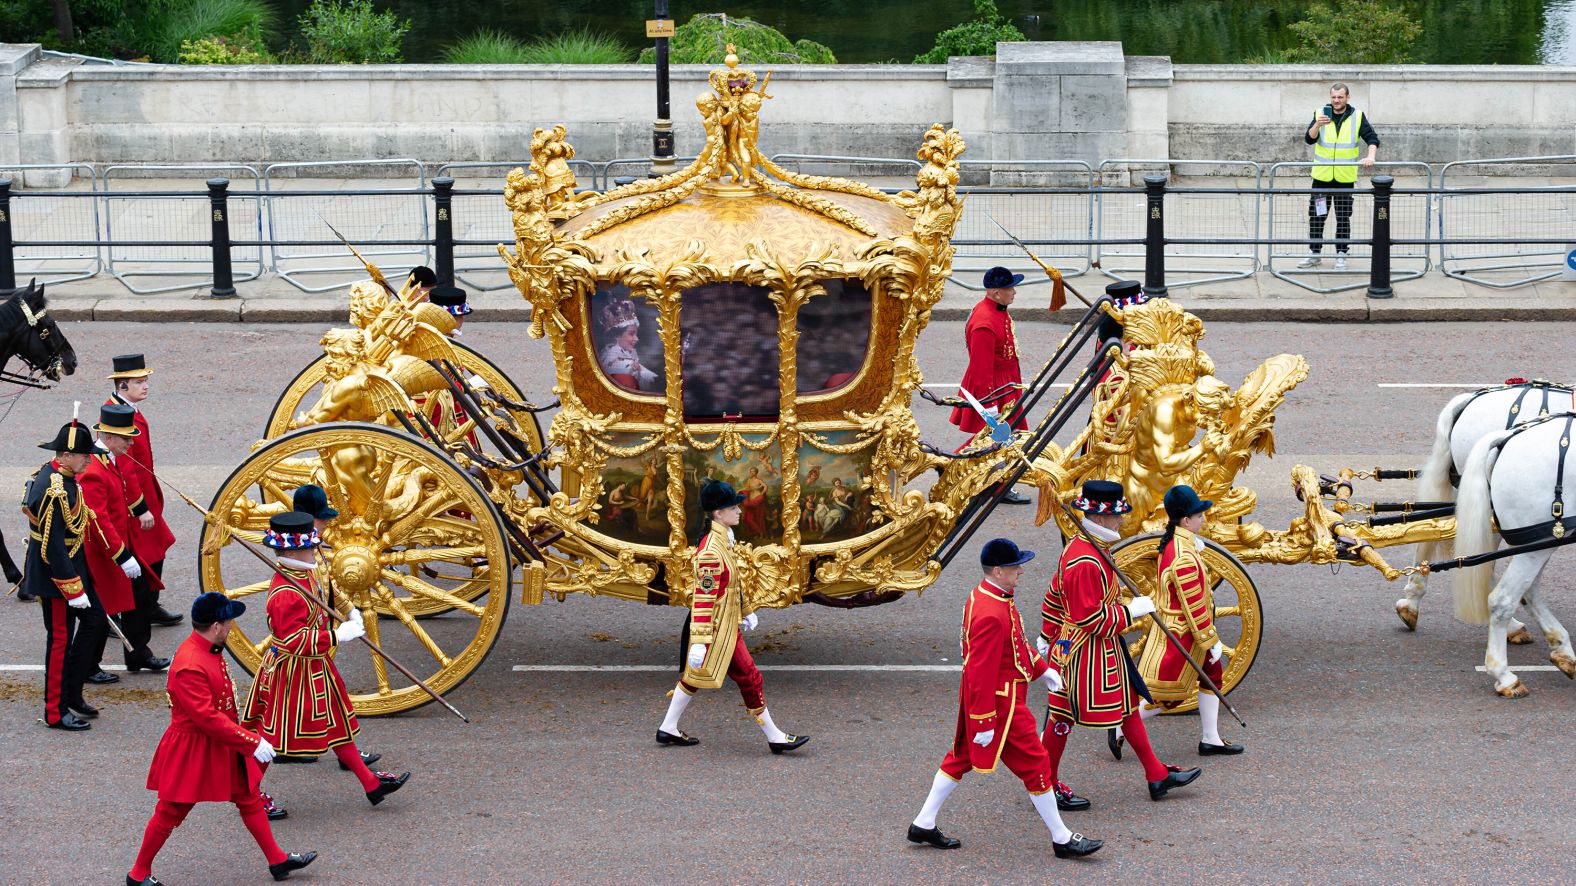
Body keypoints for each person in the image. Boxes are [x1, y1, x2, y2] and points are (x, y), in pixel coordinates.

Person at [906, 538, 1100, 858]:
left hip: (999, 699)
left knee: (960, 758)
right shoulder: (991, 612)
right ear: (998, 571)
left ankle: (923, 822)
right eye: (1014, 567)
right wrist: (983, 721)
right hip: (1002, 706)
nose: (1020, 571)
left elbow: (1016, 642)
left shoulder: (992, 597)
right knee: (1037, 763)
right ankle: (1062, 837)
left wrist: (1042, 670)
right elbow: (980, 672)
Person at [127, 591, 316, 885]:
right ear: (216, 626)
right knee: (170, 811)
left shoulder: (208, 649)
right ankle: (138, 874)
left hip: (221, 740)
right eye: (228, 622)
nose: (231, 628)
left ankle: (277, 860)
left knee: (248, 796)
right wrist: (252, 742)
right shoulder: (191, 663)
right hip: (193, 747)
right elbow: (207, 718)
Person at [1039, 481, 1202, 801]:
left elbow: (1053, 597)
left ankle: (1156, 774)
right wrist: (1130, 612)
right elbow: (1091, 619)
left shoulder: (1084, 545)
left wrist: (1047, 636)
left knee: (1126, 704)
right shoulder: (1086, 559)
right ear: (1099, 520)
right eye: (1116, 516)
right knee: (1062, 716)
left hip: (1083, 648)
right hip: (1084, 652)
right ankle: (1044, 784)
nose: (1121, 521)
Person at [240, 512, 410, 814]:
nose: (315, 549)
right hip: (291, 672)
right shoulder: (284, 593)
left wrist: (350, 611)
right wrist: (337, 636)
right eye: (310, 545)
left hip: (315, 668)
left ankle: (371, 784)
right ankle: (248, 793)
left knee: (337, 725)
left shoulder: (308, 570)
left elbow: (330, 591)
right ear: (293, 550)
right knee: (272, 737)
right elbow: (293, 641)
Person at [656, 480, 808, 753]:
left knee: (694, 677)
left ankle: (668, 728)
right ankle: (774, 736)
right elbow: (703, 600)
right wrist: (700, 641)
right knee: (750, 677)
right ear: (718, 513)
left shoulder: (722, 540)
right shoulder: (712, 552)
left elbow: (733, 583)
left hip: (724, 623)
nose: (739, 511)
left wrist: (747, 610)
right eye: (733, 507)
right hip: (717, 628)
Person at [1122, 485, 1243, 756]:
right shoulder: (1184, 555)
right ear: (1186, 520)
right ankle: (1121, 727)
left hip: (1183, 630)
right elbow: (1194, 605)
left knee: (1211, 677)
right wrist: (1210, 640)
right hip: (1185, 633)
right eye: (1199, 516)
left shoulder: (1179, 544)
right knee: (1167, 697)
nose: (1204, 519)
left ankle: (1211, 737)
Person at [78, 404, 170, 685]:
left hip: (118, 544)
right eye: (126, 438)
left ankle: (138, 653)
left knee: (140, 595)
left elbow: (128, 488)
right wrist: (121, 556)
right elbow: (98, 520)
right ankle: (89, 665)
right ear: (108, 437)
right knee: (101, 611)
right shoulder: (93, 469)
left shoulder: (114, 457)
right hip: (101, 553)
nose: (131, 443)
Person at [23, 415, 104, 731]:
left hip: (72, 567)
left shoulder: (59, 475)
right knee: (59, 641)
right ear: (66, 455)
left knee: (95, 619)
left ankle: (71, 692)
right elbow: (54, 546)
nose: (88, 460)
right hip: (56, 577)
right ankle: (55, 711)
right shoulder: (56, 487)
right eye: (84, 454)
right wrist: (74, 589)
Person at [107, 354, 181, 627]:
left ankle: (149, 604)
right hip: (133, 501)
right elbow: (125, 467)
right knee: (138, 556)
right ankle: (127, 611)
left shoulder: (129, 409)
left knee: (156, 550)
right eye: (139, 382)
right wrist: (139, 508)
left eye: (145, 380)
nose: (146, 386)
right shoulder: (117, 416)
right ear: (122, 386)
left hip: (146, 493)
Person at [952, 266, 1029, 503]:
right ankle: (990, 483)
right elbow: (981, 368)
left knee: (996, 438)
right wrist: (991, 404)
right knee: (999, 438)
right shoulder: (984, 323)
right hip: (993, 387)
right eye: (1009, 289)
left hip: (1005, 382)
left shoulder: (996, 309)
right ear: (996, 293)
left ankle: (973, 472)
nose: (1014, 292)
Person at [1298, 82, 1379, 271]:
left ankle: (1341, 254)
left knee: (1343, 217)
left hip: (1344, 178)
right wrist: (1318, 124)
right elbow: (1309, 139)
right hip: (1322, 178)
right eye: (1333, 97)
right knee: (1317, 216)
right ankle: (1315, 253)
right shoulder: (1321, 113)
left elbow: (1372, 138)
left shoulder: (1357, 116)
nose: (1336, 101)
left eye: (1340, 97)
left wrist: (1371, 156)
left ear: (1347, 98)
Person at [597, 298, 658, 390]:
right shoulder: (615, 362)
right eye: (631, 334)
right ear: (617, 336)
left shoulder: (626, 356)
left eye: (636, 334)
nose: (636, 339)